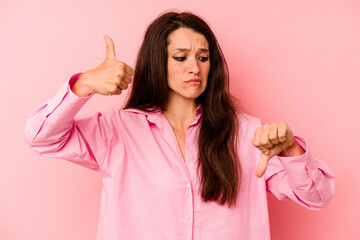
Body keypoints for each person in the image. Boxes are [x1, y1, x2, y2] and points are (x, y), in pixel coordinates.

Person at [24, 11, 335, 240]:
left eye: (203, 57)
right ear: (159, 61)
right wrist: (84, 84)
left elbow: (317, 197)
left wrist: (291, 150)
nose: (194, 68)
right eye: (180, 57)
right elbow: (41, 136)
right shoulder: (118, 131)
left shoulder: (246, 134)